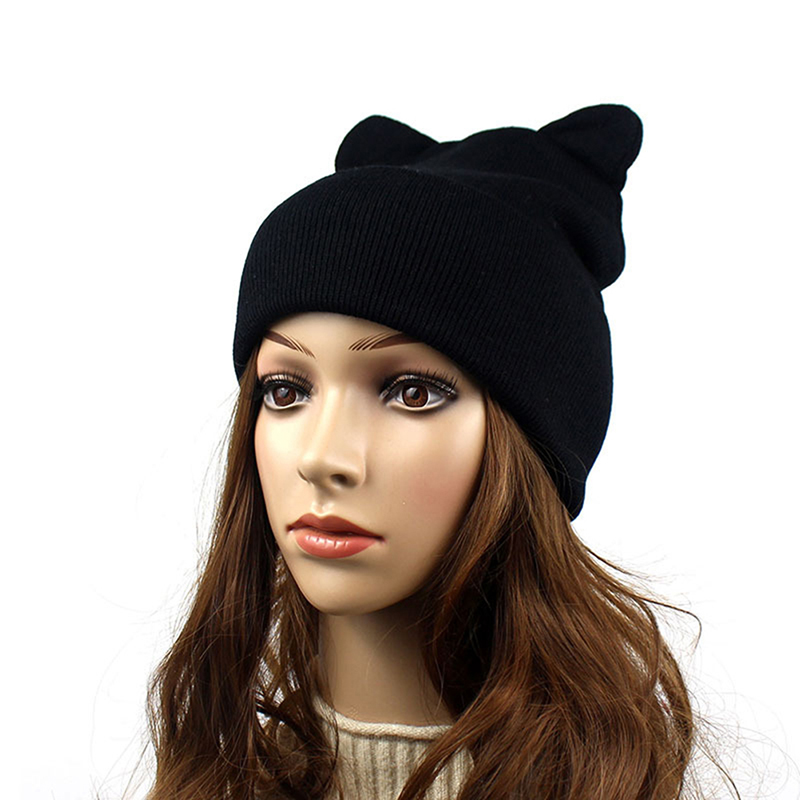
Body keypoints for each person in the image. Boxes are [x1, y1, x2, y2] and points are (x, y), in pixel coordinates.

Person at [144, 106, 730, 799]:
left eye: (412, 392)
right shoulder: (209, 777)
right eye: (286, 391)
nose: (322, 458)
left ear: (526, 446)